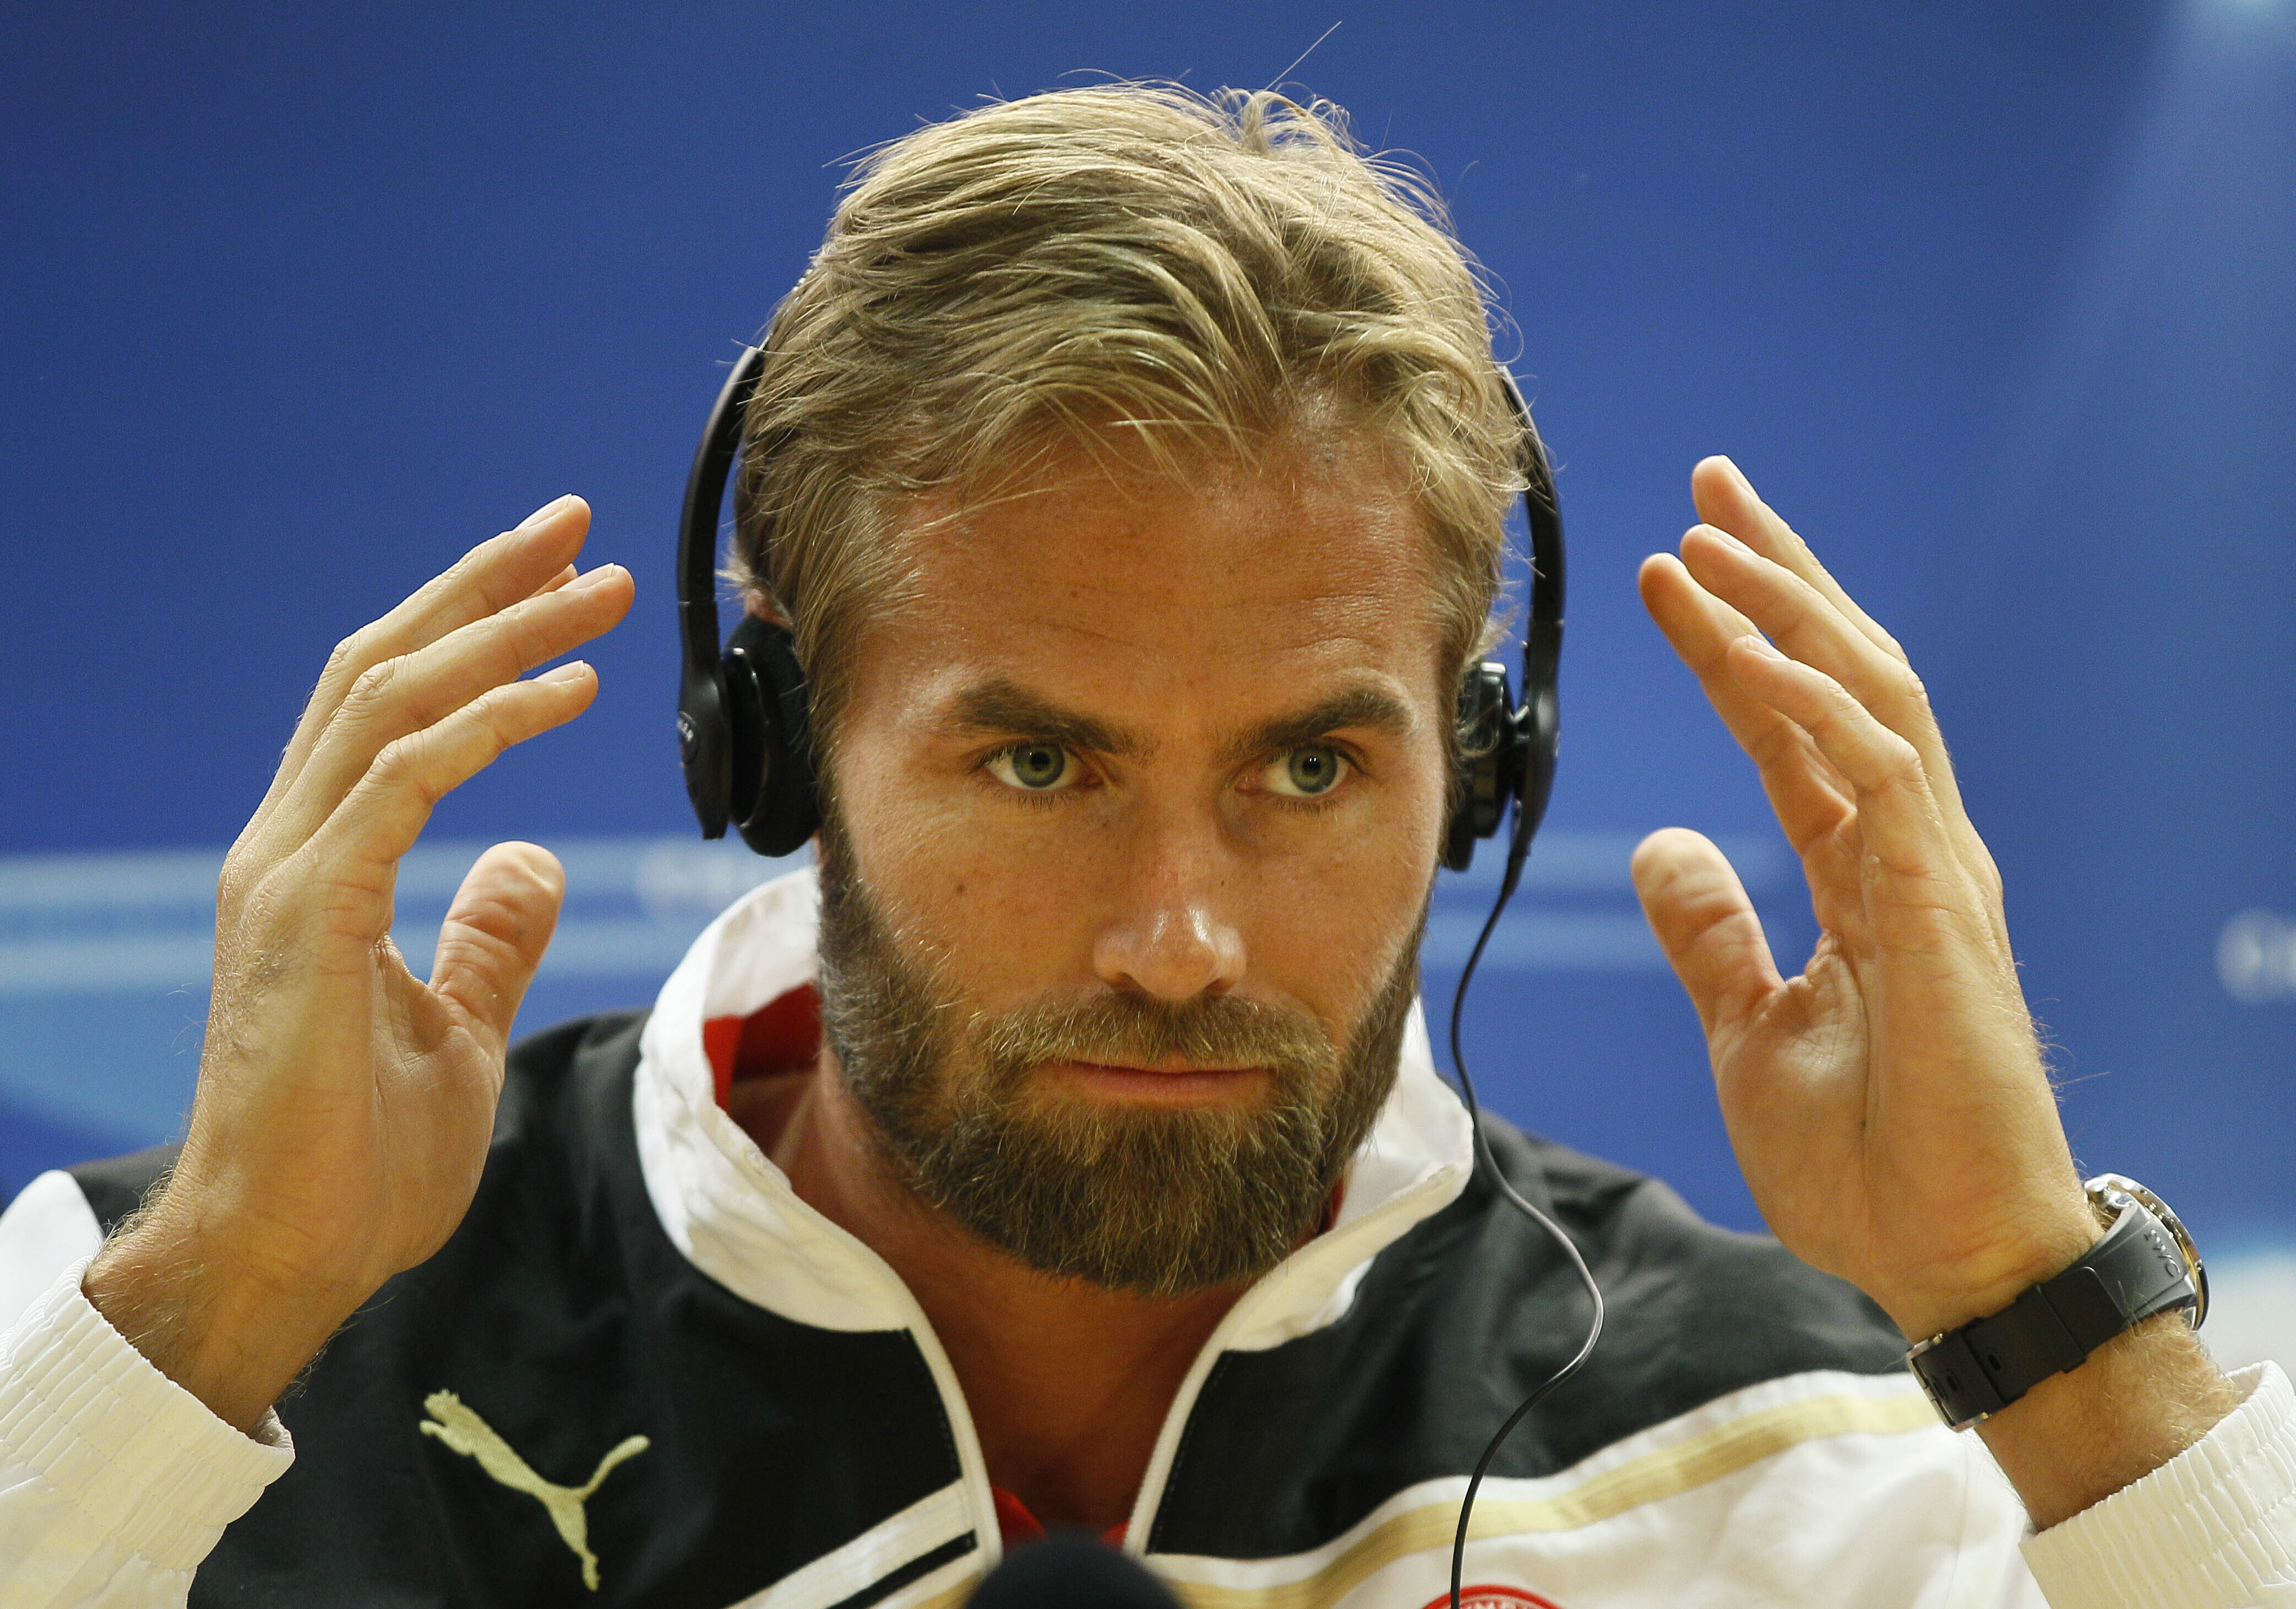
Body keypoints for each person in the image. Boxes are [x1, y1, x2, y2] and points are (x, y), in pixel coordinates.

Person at [0, 84, 2288, 1609]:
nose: (1183, 938)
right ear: (779, 739)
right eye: (1037, 763)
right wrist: (216, 1310)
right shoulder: (192, 1352)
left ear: (1477, 770)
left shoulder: (1787, 1455)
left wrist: (2034, 1316)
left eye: (1308, 766)